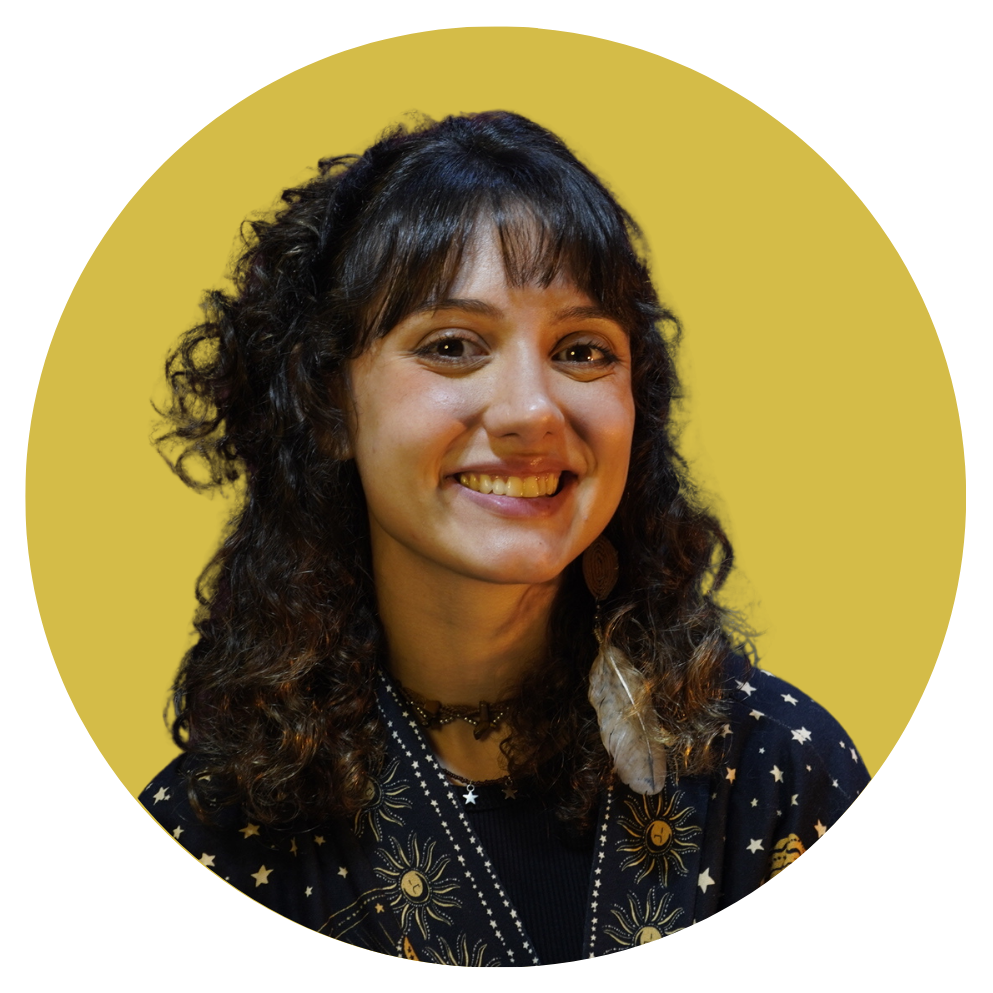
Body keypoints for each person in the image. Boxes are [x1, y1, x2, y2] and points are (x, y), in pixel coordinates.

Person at [142, 111, 869, 965]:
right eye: (452, 345)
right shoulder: (212, 832)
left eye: (582, 351)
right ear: (329, 405)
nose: (531, 409)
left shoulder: (776, 770)